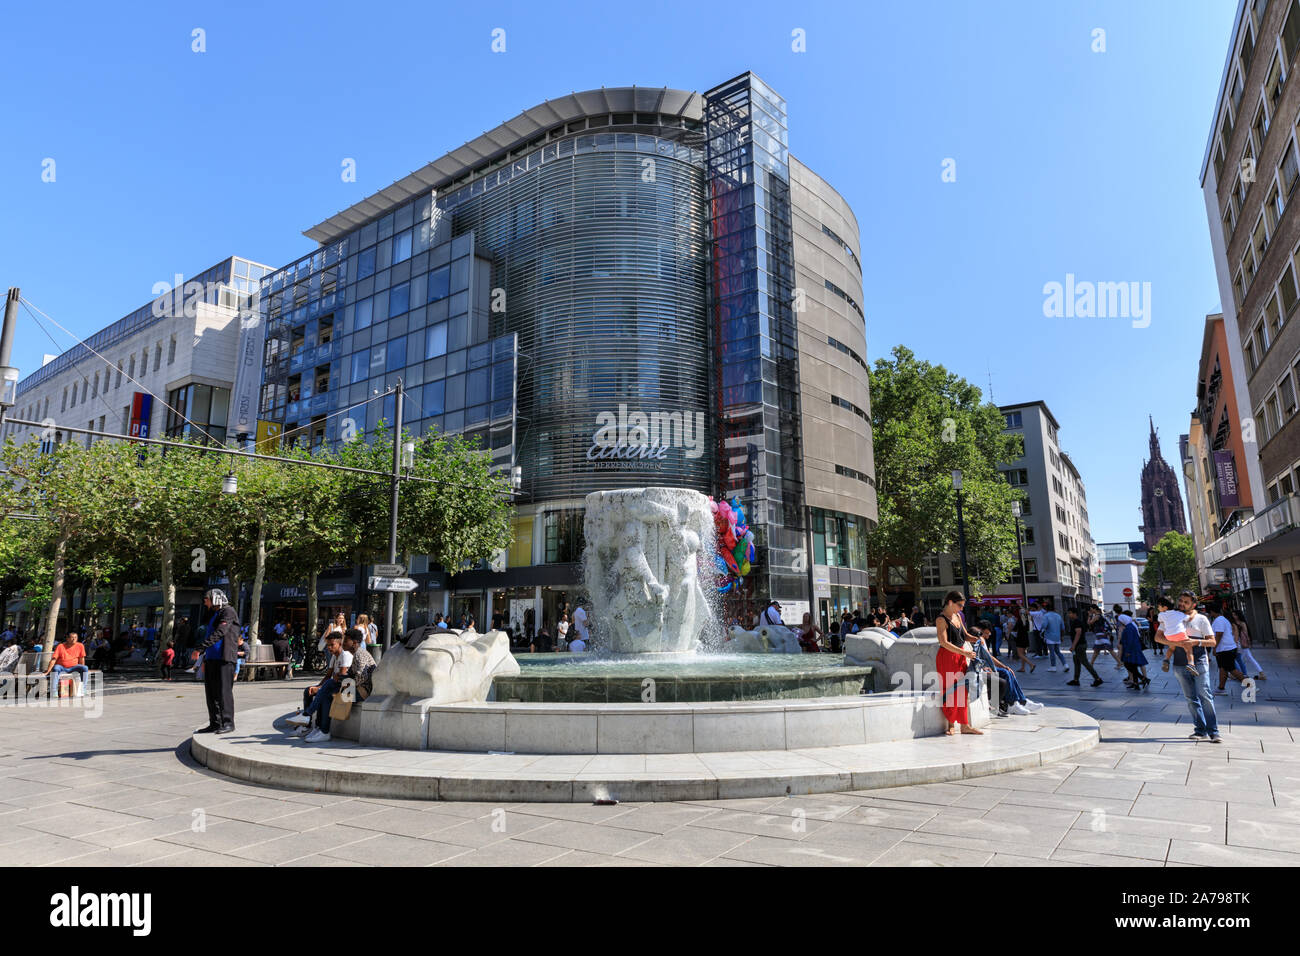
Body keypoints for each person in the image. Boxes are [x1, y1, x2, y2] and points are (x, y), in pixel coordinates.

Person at [1156, 591, 1221, 743]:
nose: (1182, 604)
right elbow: (1157, 637)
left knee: (1205, 696)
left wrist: (1195, 642)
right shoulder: (1171, 616)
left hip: (1199, 662)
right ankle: (1200, 730)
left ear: (1193, 604)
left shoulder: (1201, 619)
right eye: (1181, 601)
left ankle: (1214, 732)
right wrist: (1176, 644)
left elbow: (1212, 642)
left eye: (1186, 602)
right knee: (1191, 698)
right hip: (1179, 664)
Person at [287, 632, 353, 742]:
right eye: (328, 645)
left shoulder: (345, 655)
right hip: (335, 685)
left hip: (347, 688)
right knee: (309, 690)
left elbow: (342, 677)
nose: (329, 648)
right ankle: (309, 727)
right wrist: (317, 687)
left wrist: (321, 688)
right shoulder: (334, 657)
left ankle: (308, 716)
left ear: (340, 644)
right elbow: (328, 676)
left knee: (325, 693)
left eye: (332, 645)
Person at [933, 591, 983, 736]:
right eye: (959, 605)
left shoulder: (958, 616)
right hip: (947, 657)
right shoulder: (941, 619)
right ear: (950, 602)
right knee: (950, 690)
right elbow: (943, 642)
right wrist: (965, 653)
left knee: (963, 690)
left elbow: (965, 636)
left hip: (959, 656)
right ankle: (950, 725)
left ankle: (965, 725)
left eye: (962, 606)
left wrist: (977, 638)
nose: (961, 608)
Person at [197, 589, 240, 736]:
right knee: (211, 693)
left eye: (207, 599)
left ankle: (228, 723)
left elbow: (221, 631)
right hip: (211, 658)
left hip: (224, 658)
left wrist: (201, 647)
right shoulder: (214, 613)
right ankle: (215, 723)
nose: (205, 602)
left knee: (224, 692)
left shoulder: (228, 612)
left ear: (215, 598)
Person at [972, 629, 1044, 716]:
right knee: (1005, 674)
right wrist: (984, 668)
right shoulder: (974, 645)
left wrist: (1004, 666)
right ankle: (1011, 704)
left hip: (987, 668)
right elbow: (976, 660)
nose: (989, 635)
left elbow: (988, 657)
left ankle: (1022, 701)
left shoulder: (981, 641)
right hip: (982, 670)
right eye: (986, 633)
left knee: (1008, 672)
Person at [1207, 602, 1246, 695]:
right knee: (1222, 668)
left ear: (1212, 611)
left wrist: (1214, 647)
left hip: (1225, 649)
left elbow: (1219, 634)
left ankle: (1250, 685)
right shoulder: (1222, 619)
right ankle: (1221, 688)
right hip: (1226, 648)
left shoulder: (1219, 620)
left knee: (1232, 669)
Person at [1065, 606, 1103, 687]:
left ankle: (1097, 679)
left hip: (1080, 646)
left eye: (1070, 613)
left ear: (1074, 614)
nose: (1068, 615)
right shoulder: (1076, 621)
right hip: (1078, 646)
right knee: (1076, 662)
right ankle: (1076, 680)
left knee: (1085, 663)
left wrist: (1073, 645)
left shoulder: (1077, 622)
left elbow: (1078, 633)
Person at [45, 630, 90, 697]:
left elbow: (81, 659)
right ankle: (54, 691)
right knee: (56, 667)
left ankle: (83, 689)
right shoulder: (61, 646)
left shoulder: (80, 645)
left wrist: (82, 667)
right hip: (62, 667)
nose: (74, 639)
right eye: (72, 637)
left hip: (74, 667)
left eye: (75, 637)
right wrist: (48, 671)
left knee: (85, 668)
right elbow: (54, 659)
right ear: (67, 638)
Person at [1115, 604, 1150, 689]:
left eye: (1120, 621)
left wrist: (1127, 652)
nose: (1120, 622)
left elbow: (1130, 641)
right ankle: (1136, 683)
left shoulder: (1129, 627)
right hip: (1132, 649)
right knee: (1132, 666)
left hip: (1131, 650)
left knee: (1129, 665)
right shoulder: (1129, 626)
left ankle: (1142, 679)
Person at [1231, 608, 1266, 680]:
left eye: (1234, 615)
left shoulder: (1242, 623)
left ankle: (1259, 673)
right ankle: (1239, 674)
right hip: (1239, 643)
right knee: (1241, 659)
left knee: (1246, 658)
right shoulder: (1235, 623)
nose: (1233, 616)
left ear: (1238, 615)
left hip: (1242, 644)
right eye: (1233, 615)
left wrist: (1247, 641)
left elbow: (1246, 633)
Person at [342, 626, 376, 701]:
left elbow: (362, 676)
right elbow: (351, 673)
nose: (343, 643)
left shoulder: (360, 654)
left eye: (345, 641)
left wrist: (348, 684)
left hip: (364, 690)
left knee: (331, 696)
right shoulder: (356, 654)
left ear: (354, 643)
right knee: (330, 687)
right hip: (358, 687)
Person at [1088, 605, 1124, 672]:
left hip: (1100, 635)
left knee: (1109, 649)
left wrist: (1089, 616)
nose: (1091, 610)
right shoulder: (1099, 615)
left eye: (1091, 609)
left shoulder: (1097, 616)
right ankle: (1091, 664)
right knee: (1097, 650)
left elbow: (1089, 623)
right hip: (1100, 635)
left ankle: (1120, 663)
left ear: (1094, 609)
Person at [1039, 598, 1066, 671]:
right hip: (1057, 636)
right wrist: (1061, 636)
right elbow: (1063, 627)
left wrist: (1041, 630)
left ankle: (1053, 666)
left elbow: (1044, 626)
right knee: (1058, 651)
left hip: (1049, 636)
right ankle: (1065, 664)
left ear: (1046, 609)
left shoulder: (1046, 616)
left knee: (1052, 652)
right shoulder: (1058, 616)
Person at [1010, 607, 1034, 673]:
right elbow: (1030, 629)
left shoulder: (1020, 620)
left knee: (1020, 654)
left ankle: (1031, 664)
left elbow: (1014, 629)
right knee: (1023, 654)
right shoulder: (1028, 620)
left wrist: (1011, 626)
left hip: (1020, 637)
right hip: (1026, 637)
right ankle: (1023, 668)